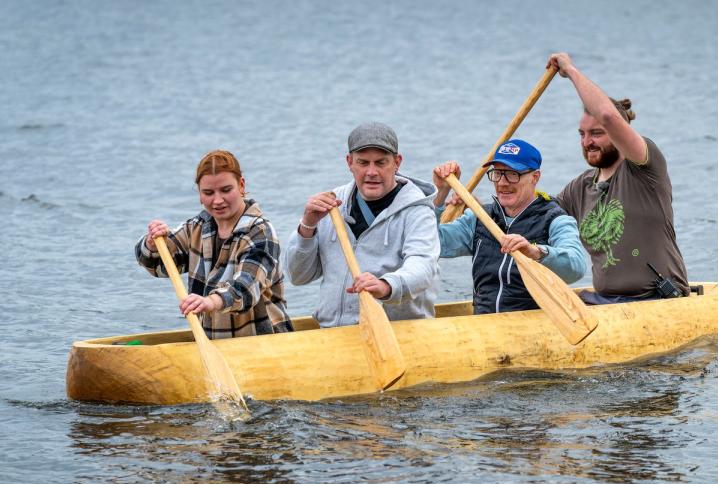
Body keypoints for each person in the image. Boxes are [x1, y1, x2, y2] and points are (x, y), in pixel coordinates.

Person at [548, 52, 690, 304]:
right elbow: (533, 215)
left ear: (619, 134)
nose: (587, 142)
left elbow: (608, 116)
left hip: (656, 300)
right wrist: (465, 201)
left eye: (596, 133)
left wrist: (570, 70)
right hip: (604, 301)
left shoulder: (645, 167)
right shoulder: (579, 188)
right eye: (582, 134)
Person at [285, 122, 440, 327]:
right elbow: (298, 277)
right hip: (333, 332)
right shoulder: (332, 205)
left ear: (397, 162)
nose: (371, 172)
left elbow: (423, 267)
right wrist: (307, 227)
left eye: (381, 162)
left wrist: (386, 286)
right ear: (350, 162)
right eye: (363, 162)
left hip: (397, 332)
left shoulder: (418, 211)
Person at [136, 149, 293, 338]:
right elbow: (159, 266)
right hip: (213, 343)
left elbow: (246, 288)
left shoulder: (261, 232)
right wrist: (153, 244)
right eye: (208, 193)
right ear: (200, 194)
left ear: (241, 185)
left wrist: (211, 302)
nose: (217, 201)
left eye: (226, 190)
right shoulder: (196, 227)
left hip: (265, 344)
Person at [431, 138, 589, 314]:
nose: (502, 183)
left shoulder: (555, 219)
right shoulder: (480, 218)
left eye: (513, 174)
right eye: (498, 173)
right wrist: (440, 192)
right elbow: (431, 244)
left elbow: (576, 266)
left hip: (535, 326)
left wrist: (534, 252)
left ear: (535, 177)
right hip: (484, 323)